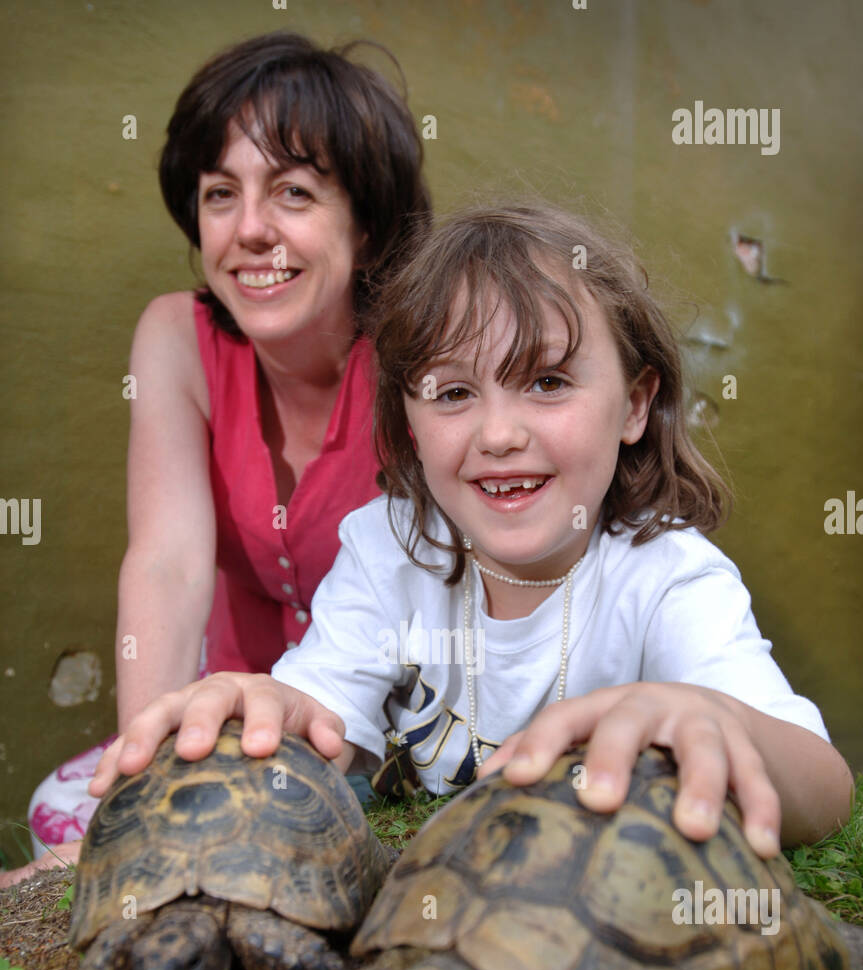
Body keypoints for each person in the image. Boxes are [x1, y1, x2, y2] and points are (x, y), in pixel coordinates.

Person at [88, 201, 854, 855]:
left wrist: (708, 716)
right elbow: (321, 723)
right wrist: (269, 711)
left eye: (547, 382)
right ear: (409, 427)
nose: (497, 434)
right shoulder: (388, 549)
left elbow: (822, 788)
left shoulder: (665, 577)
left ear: (632, 404)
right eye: (452, 393)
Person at [2, 31, 430, 886]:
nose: (250, 231)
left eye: (295, 193)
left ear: (368, 222)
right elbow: (166, 565)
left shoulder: (425, 355)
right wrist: (144, 794)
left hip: (382, 725)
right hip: (236, 701)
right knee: (63, 806)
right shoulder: (177, 337)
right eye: (219, 193)